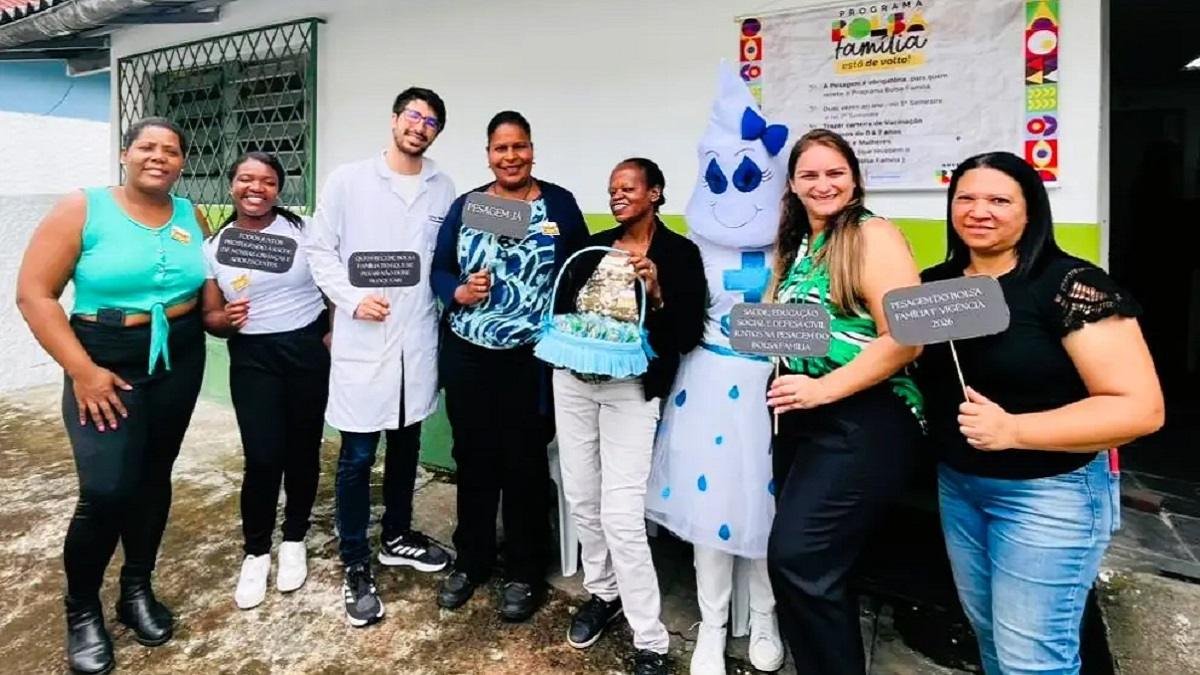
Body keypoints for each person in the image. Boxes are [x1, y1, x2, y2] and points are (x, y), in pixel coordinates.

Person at [919, 151, 1163, 675]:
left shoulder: (1072, 285)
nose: (979, 211)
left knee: (1033, 659)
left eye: (999, 200)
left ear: (1031, 211)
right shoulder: (934, 284)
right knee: (989, 638)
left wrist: (1014, 429)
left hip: (1050, 493)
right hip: (959, 487)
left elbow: (1141, 410)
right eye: (966, 198)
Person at [16, 117, 208, 674]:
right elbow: (35, 294)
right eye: (147, 147)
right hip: (102, 355)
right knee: (105, 489)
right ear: (125, 154)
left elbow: (208, 281)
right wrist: (83, 371)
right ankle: (81, 611)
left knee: (153, 476)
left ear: (182, 162)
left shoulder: (189, 214)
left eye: (171, 150)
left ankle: (135, 591)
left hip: (177, 351)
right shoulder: (82, 208)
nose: (159, 157)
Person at [644, 61, 788, 675]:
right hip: (705, 383)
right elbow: (675, 316)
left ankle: (765, 615)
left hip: (771, 386)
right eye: (723, 176)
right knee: (711, 512)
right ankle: (710, 623)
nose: (735, 188)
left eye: (749, 175)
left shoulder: (796, 242)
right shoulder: (687, 244)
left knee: (766, 504)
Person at [764, 129, 925, 674]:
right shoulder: (800, 244)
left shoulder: (871, 234)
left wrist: (821, 388)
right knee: (813, 567)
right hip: (803, 419)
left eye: (834, 172)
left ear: (854, 178)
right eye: (809, 174)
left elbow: (907, 337)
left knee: (798, 558)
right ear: (791, 184)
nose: (822, 184)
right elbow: (797, 330)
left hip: (866, 417)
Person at [304, 87, 456, 627]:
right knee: (357, 456)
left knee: (407, 442)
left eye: (431, 120)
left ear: (437, 131)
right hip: (364, 341)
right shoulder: (349, 180)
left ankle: (396, 535)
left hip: (416, 340)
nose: (420, 125)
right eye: (413, 115)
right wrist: (349, 298)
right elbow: (319, 250)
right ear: (394, 120)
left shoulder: (445, 188)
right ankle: (354, 561)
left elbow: (450, 257)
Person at [548, 158, 705, 675]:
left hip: (630, 393)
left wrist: (656, 292)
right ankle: (602, 592)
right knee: (581, 496)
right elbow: (564, 309)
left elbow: (685, 336)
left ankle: (652, 639)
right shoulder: (593, 245)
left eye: (629, 188)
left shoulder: (680, 254)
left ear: (655, 194)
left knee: (621, 514)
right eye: (613, 188)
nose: (618, 196)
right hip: (572, 381)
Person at [431, 110, 588, 621]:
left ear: (532, 150)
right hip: (469, 354)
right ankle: (472, 559)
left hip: (532, 359)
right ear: (488, 155)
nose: (511, 157)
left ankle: (524, 570)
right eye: (501, 149)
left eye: (519, 146)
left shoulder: (559, 204)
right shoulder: (469, 206)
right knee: (473, 457)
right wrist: (457, 290)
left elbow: (580, 270)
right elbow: (439, 268)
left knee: (523, 462)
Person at [200, 152, 330, 610]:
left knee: (303, 448)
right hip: (253, 355)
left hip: (307, 347)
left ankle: (294, 537)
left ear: (279, 188)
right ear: (232, 184)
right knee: (262, 455)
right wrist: (224, 319)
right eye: (246, 179)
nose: (257, 188)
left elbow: (330, 281)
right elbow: (210, 314)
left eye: (268, 181)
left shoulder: (302, 230)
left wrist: (331, 332)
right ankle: (256, 551)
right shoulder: (214, 246)